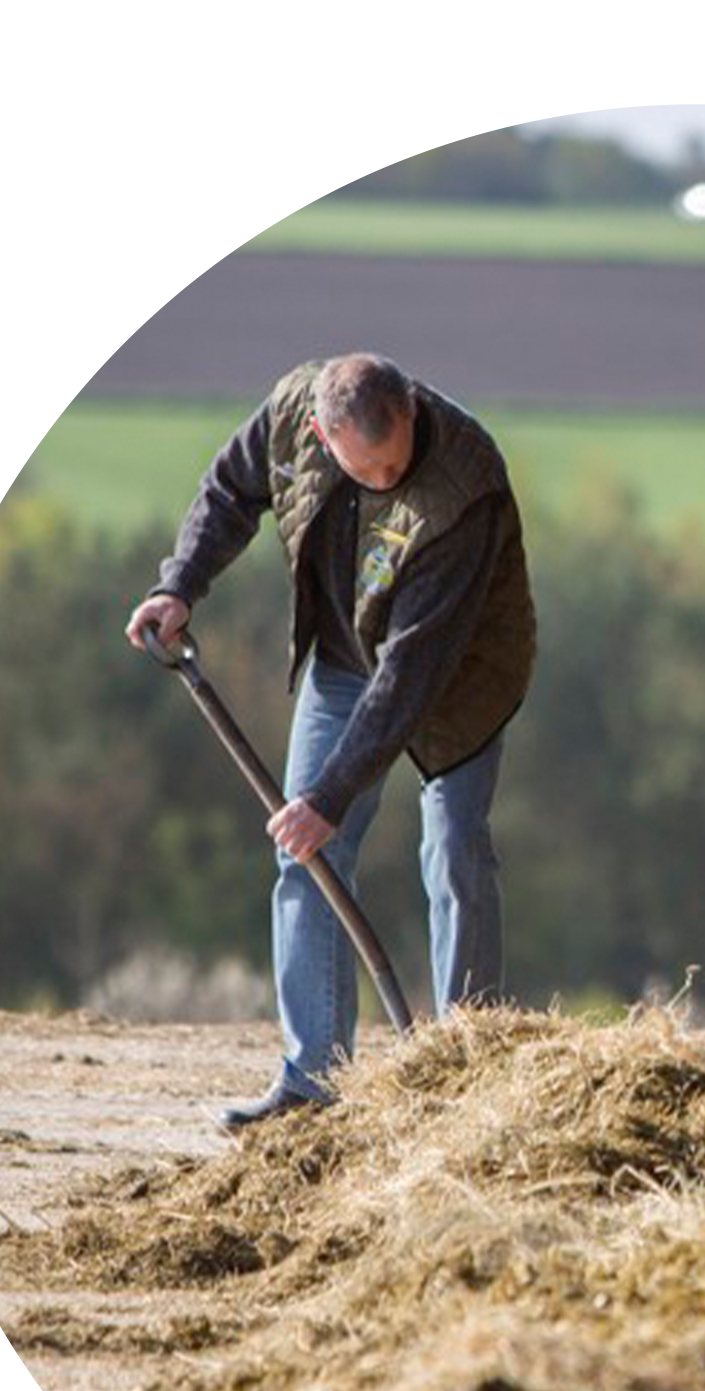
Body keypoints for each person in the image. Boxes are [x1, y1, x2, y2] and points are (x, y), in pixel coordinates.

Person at [125, 354, 535, 1130]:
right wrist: (179, 584)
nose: (386, 478)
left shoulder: (463, 479)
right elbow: (230, 492)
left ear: (410, 408)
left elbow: (413, 673)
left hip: (459, 669)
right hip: (347, 658)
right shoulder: (290, 416)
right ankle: (313, 1082)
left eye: (396, 461)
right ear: (322, 435)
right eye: (366, 467)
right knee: (304, 853)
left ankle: (462, 1073)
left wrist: (331, 796)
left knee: (454, 851)